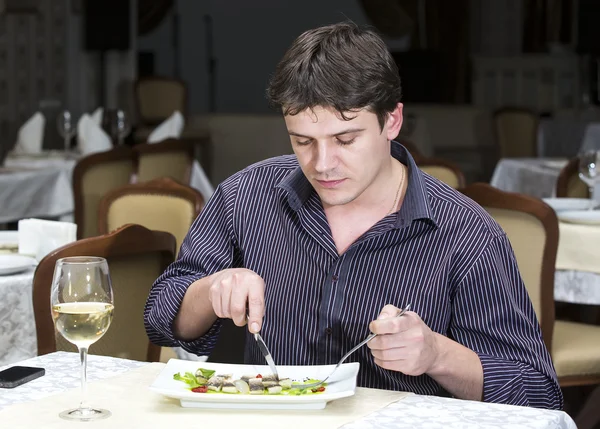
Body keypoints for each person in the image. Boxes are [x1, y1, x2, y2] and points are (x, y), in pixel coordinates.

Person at [144, 21, 562, 409]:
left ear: (392, 121)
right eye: (303, 140)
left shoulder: (466, 233)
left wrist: (437, 354)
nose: (323, 163)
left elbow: (539, 397)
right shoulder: (246, 196)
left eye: (345, 139)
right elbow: (160, 317)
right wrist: (210, 288)